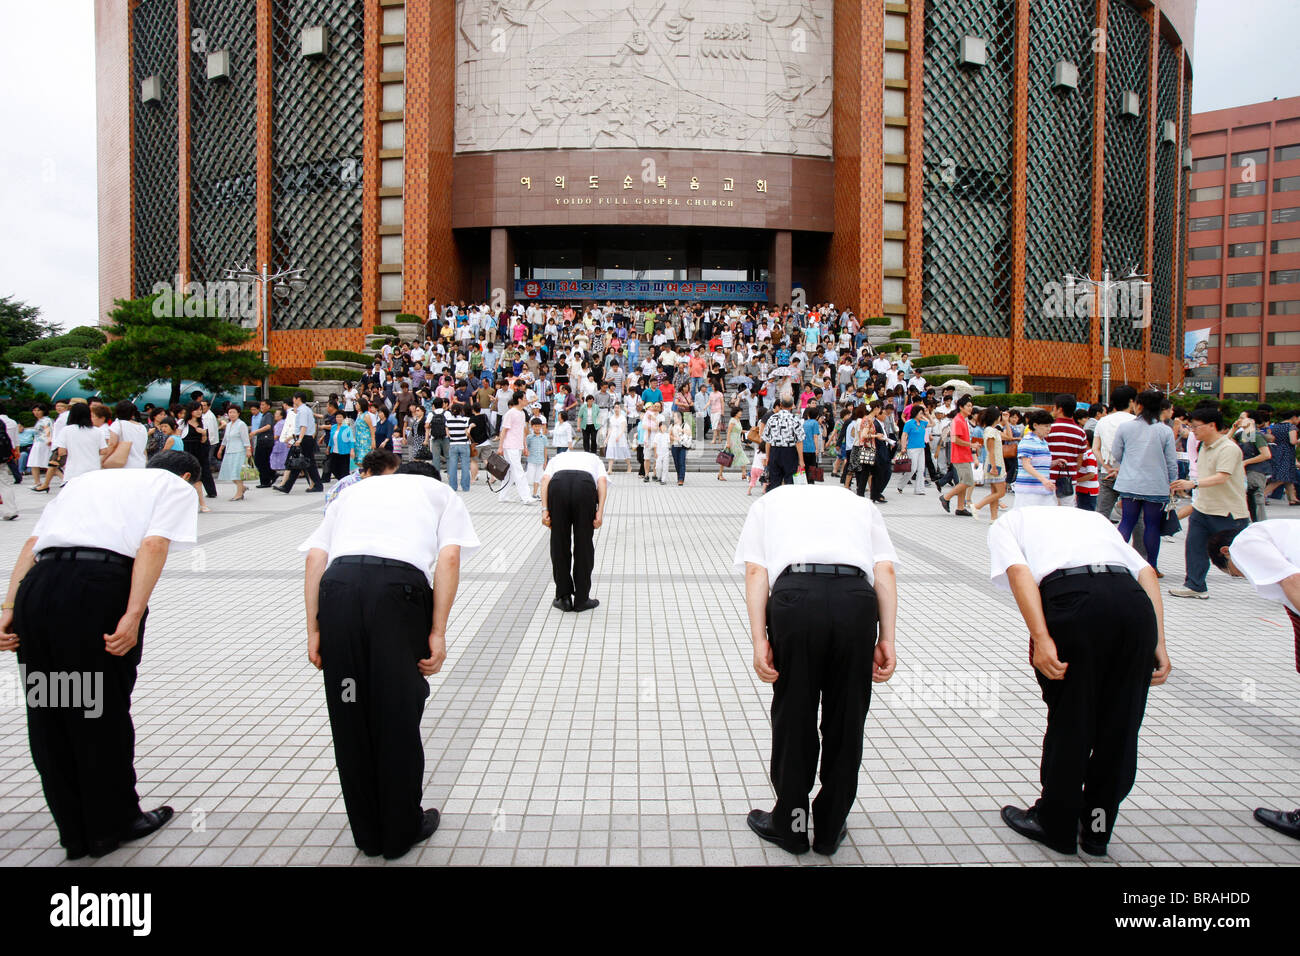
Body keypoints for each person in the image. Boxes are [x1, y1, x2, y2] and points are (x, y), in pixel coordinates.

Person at [0, 450, 202, 859]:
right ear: (186, 475)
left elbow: (33, 543)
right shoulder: (174, 486)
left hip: (40, 588)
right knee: (100, 711)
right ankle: (113, 824)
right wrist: (132, 614)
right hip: (95, 591)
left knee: (49, 709)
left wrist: (8, 610)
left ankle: (74, 831)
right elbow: (154, 543)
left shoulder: (87, 481)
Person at [301, 462, 481, 859]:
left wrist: (314, 628)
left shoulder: (352, 492)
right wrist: (437, 631)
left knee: (349, 712)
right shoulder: (440, 493)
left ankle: (367, 833)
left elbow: (317, 557)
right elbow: (448, 560)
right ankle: (401, 830)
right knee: (396, 713)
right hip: (396, 596)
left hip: (338, 590)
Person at [989, 506, 1169, 856]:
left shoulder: (1008, 522)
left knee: (1072, 720)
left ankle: (1056, 825)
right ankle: (1098, 830)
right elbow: (1145, 571)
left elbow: (1019, 573)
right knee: (1121, 726)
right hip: (1132, 605)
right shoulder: (1095, 520)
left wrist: (1041, 638)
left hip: (1075, 604)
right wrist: (1159, 641)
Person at [735, 483, 898, 855]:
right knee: (847, 719)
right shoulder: (860, 505)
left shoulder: (768, 503)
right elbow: (884, 569)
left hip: (797, 598)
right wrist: (886, 637)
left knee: (795, 715)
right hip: (855, 600)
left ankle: (791, 825)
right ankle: (829, 827)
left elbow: (756, 573)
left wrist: (760, 640)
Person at [1208, 520, 1300, 839]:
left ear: (1225, 552)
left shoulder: (1245, 542)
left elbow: (1292, 583)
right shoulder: (1278, 533)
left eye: (1233, 571)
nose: (1242, 575)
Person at [1168, 406, 1250, 600]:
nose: (1192, 431)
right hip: (1203, 508)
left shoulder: (1229, 449)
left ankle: (1271, 581)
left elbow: (1222, 477)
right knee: (1194, 546)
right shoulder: (1203, 446)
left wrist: (1193, 484)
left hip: (1227, 511)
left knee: (1235, 554)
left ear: (1212, 426)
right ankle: (1195, 585)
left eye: (1196, 427)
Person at [1112, 390, 1178, 574]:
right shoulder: (1165, 431)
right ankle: (1152, 567)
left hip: (1130, 482)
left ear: (1138, 405)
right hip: (1156, 485)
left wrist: (1129, 463)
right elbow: (1171, 461)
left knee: (1126, 522)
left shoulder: (1126, 427)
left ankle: (1116, 562)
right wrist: (1173, 483)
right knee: (1152, 526)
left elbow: (1117, 453)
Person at [541, 450, 608, 613]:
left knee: (559, 542)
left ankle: (563, 598)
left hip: (558, 486)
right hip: (584, 487)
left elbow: (545, 480)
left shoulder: (557, 458)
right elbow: (602, 482)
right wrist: (600, 511)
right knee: (584, 543)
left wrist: (544, 509)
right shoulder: (594, 459)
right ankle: (582, 599)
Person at [276, 393, 325, 495]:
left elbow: (303, 426)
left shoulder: (302, 410)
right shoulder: (307, 409)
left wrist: (300, 439)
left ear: (298, 399)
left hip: (304, 438)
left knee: (306, 462)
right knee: (300, 462)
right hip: (306, 438)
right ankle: (287, 486)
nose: (293, 400)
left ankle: (317, 485)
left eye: (294, 398)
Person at [52, 401, 107, 484]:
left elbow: (61, 452)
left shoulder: (66, 430)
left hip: (73, 471)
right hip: (93, 469)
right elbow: (104, 451)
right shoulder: (97, 431)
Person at [939, 397, 977, 515]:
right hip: (960, 456)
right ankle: (946, 497)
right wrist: (971, 444)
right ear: (961, 407)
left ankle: (960, 508)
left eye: (971, 406)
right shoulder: (958, 420)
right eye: (968, 406)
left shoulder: (962, 420)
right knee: (968, 481)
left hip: (964, 455)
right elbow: (955, 439)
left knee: (963, 482)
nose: (970, 408)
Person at [497, 391, 536, 504]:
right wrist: (500, 447)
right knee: (518, 471)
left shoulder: (522, 413)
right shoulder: (511, 413)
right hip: (509, 446)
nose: (526, 400)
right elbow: (503, 431)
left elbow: (522, 432)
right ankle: (526, 497)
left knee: (511, 472)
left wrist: (525, 447)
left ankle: (502, 496)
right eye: (524, 398)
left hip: (517, 446)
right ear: (519, 399)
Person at [1012, 409, 1057, 508]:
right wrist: (1043, 480)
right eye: (1046, 426)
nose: (1049, 429)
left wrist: (1055, 462)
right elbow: (1026, 464)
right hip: (1029, 491)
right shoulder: (1028, 441)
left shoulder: (1043, 442)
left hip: (1043, 489)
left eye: (1050, 426)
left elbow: (1040, 464)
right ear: (1035, 425)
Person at [761, 393, 803, 491]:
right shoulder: (795, 419)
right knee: (790, 480)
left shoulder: (772, 418)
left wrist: (767, 456)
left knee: (774, 481)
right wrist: (801, 460)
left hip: (775, 451)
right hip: (790, 452)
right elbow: (799, 441)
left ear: (780, 404)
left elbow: (767, 440)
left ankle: (773, 502)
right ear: (792, 405)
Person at [971, 406, 1007, 520]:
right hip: (994, 464)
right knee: (1001, 492)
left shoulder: (992, 430)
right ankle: (977, 506)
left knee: (995, 492)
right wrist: (994, 466)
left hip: (995, 463)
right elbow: (991, 450)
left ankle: (993, 518)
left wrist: (1006, 423)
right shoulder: (990, 431)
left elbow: (1009, 436)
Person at [217, 404, 252, 501]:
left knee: (237, 474)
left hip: (239, 451)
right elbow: (225, 439)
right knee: (231, 474)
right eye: (230, 412)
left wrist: (248, 450)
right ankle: (242, 488)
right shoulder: (228, 425)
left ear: (238, 413)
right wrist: (221, 449)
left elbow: (245, 439)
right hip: (229, 451)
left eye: (234, 412)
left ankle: (239, 494)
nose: (231, 414)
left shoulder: (241, 425)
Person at [107, 401, 148, 469]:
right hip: (141, 464)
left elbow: (112, 444)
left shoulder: (117, 424)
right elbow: (144, 448)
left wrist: (103, 459)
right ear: (132, 413)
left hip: (124, 465)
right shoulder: (142, 427)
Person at [897, 405, 927, 495]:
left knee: (921, 469)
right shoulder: (909, 423)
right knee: (912, 469)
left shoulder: (922, 423)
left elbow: (932, 423)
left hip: (921, 448)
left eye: (922, 413)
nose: (922, 415)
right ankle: (900, 485)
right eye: (920, 413)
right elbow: (904, 435)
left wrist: (927, 415)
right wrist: (903, 447)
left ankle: (919, 489)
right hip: (912, 448)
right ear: (915, 413)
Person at [604, 404, 631, 473]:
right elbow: (610, 429)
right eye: (615, 407)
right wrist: (607, 438)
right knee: (611, 452)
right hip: (612, 436)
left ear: (620, 409)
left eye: (618, 407)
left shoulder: (622, 418)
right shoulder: (611, 417)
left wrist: (619, 436)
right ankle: (610, 469)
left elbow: (623, 429)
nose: (616, 409)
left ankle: (629, 466)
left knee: (624, 451)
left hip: (620, 437)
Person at [525, 416, 549, 497]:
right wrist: (526, 452)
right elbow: (526, 447)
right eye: (535, 426)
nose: (537, 428)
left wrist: (545, 461)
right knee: (529, 477)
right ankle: (526, 494)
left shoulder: (544, 438)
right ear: (532, 427)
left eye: (539, 426)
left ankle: (534, 494)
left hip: (541, 461)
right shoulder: (529, 437)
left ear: (541, 426)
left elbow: (545, 450)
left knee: (538, 478)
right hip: (531, 460)